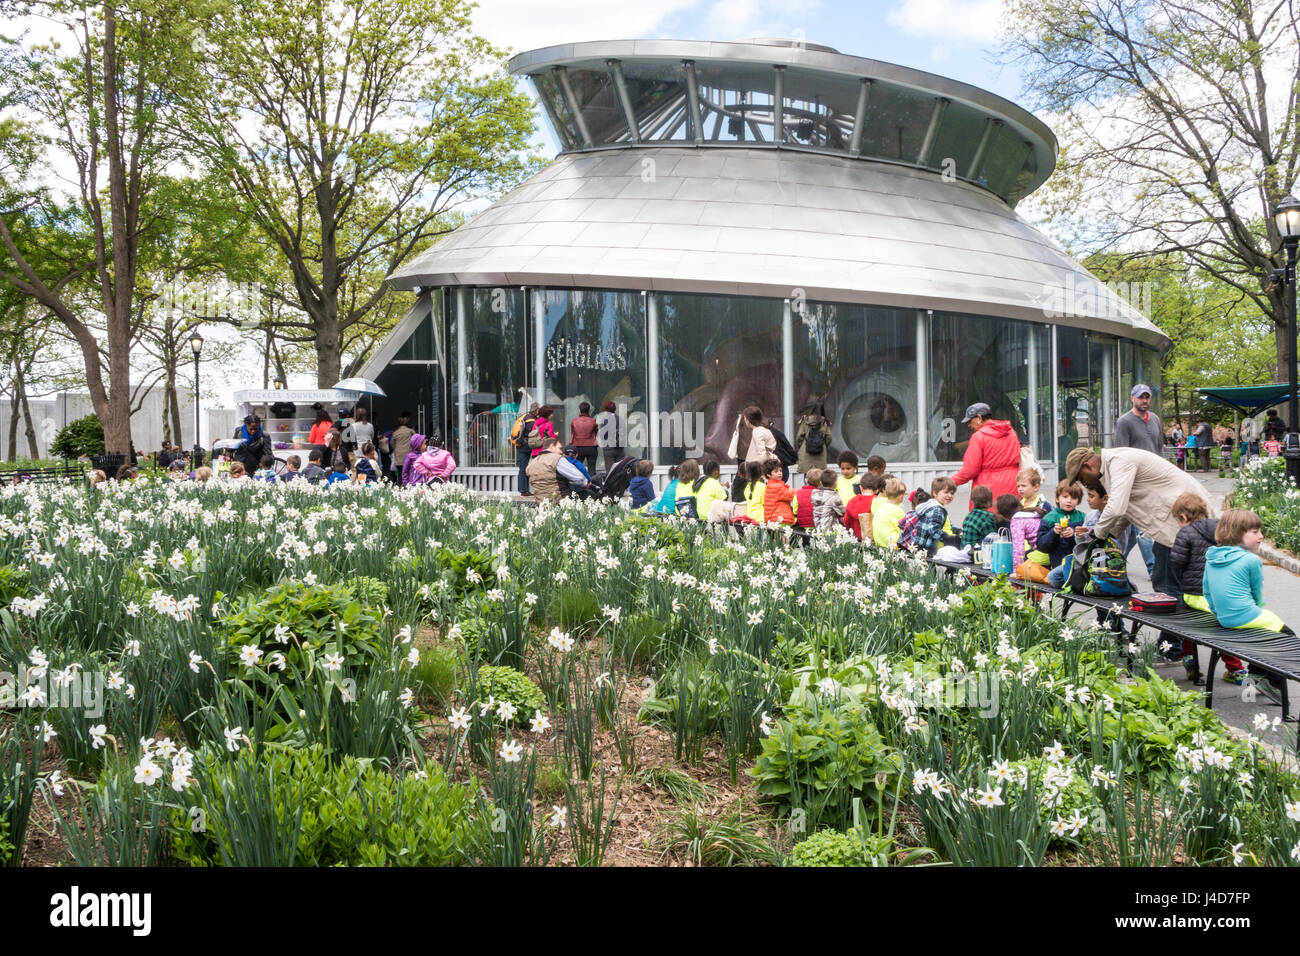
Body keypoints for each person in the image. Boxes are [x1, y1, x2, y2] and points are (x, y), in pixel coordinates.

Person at [1064, 445, 1213, 653]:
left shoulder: (1119, 462)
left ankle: (1173, 649)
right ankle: (1176, 647)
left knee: (1168, 587)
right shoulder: (1114, 467)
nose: (1084, 483)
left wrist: (1098, 534)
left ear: (1088, 466)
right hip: (1172, 527)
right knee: (1167, 584)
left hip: (1180, 523)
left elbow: (1116, 506)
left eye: (1081, 477)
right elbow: (1125, 510)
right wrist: (1108, 534)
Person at [1204, 510, 1293, 690]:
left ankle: (1257, 673)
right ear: (1236, 532)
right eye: (1254, 531)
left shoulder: (1212, 557)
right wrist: (1259, 611)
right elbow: (1256, 594)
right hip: (1246, 615)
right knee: (1287, 637)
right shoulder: (1250, 559)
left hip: (1224, 618)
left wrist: (1218, 613)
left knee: (1266, 631)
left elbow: (1207, 591)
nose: (1261, 536)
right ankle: (1269, 682)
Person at [1169, 494, 1244, 684]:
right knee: (1223, 631)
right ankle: (1236, 669)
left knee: (1190, 627)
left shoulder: (1186, 533)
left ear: (1184, 517)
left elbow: (1177, 561)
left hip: (1194, 594)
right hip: (1220, 594)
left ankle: (1189, 659)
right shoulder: (1221, 529)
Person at [950, 402, 1022, 502]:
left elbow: (970, 470)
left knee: (987, 516)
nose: (969, 425)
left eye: (970, 421)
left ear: (979, 418)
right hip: (1013, 486)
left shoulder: (978, 437)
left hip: (988, 489)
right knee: (1012, 515)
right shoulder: (1010, 432)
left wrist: (950, 482)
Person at [1041, 480, 1086, 586]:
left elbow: (1088, 542)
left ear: (1078, 500)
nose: (1069, 501)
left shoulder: (1083, 517)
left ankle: (1076, 584)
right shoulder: (1049, 518)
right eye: (1065, 497)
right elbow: (1042, 545)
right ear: (1057, 498)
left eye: (1073, 498)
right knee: (1052, 578)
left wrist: (1074, 533)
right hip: (1058, 564)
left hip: (1078, 563)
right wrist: (1054, 533)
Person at [903, 476, 957, 555]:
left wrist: (957, 530)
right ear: (935, 493)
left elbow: (944, 522)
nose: (949, 495)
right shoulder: (937, 509)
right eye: (946, 492)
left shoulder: (931, 505)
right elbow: (933, 529)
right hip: (926, 548)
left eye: (952, 493)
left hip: (920, 544)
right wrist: (947, 538)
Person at [1114, 384, 1163, 456]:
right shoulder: (1124, 422)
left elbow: (1160, 449)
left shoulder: (1155, 419)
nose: (1145, 401)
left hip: (1155, 466)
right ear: (1132, 398)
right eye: (1140, 397)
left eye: (1147, 397)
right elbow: (1121, 455)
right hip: (1135, 467)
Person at [729, 405, 776, 475]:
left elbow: (762, 455)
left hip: (752, 464)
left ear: (748, 419)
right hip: (753, 462)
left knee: (743, 480)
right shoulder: (764, 428)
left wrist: (753, 466)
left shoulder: (757, 431)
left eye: (745, 418)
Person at [844, 472, 884, 542]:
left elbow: (846, 521)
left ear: (860, 487)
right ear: (877, 490)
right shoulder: (878, 502)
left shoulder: (852, 502)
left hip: (855, 539)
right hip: (873, 540)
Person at [794, 402, 831, 475]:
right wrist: (823, 445)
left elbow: (799, 436)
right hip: (820, 453)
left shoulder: (805, 420)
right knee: (820, 475)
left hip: (806, 453)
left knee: (807, 475)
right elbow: (829, 437)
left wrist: (801, 446)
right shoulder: (824, 422)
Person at [872, 477, 908, 549]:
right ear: (900, 496)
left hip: (879, 543)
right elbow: (905, 529)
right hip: (892, 545)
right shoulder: (898, 510)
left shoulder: (881, 507)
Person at [510, 403, 538, 496]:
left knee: (522, 468)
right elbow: (533, 434)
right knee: (529, 468)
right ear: (536, 411)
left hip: (520, 444)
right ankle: (526, 490)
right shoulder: (531, 421)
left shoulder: (524, 416)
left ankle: (523, 490)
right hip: (526, 446)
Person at [693, 457, 730, 522]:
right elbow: (724, 498)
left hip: (700, 515)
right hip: (711, 517)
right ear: (715, 471)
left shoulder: (701, 482)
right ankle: (724, 531)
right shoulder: (714, 483)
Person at [761, 458, 796, 526]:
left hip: (772, 518)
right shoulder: (777, 487)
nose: (779, 473)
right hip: (780, 518)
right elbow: (789, 495)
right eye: (776, 471)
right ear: (769, 475)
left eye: (780, 470)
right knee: (783, 536)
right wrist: (795, 491)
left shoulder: (770, 485)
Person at [569, 402, 599, 473]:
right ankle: (592, 483)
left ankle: (579, 483)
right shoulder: (593, 421)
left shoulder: (574, 421)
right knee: (592, 469)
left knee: (577, 469)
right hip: (591, 447)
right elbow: (596, 432)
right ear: (589, 410)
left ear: (579, 410)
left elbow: (572, 433)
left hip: (578, 447)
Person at [596, 401, 625, 468]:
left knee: (610, 471)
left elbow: (602, 435)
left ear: (606, 409)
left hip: (609, 448)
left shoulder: (604, 420)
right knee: (620, 470)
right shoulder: (620, 419)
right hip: (619, 448)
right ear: (615, 409)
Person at [390, 412, 415, 487]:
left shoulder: (395, 433)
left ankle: (401, 486)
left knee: (401, 473)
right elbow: (415, 442)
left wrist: (397, 449)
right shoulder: (411, 431)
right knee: (409, 472)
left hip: (399, 457)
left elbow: (392, 444)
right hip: (409, 455)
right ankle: (409, 486)